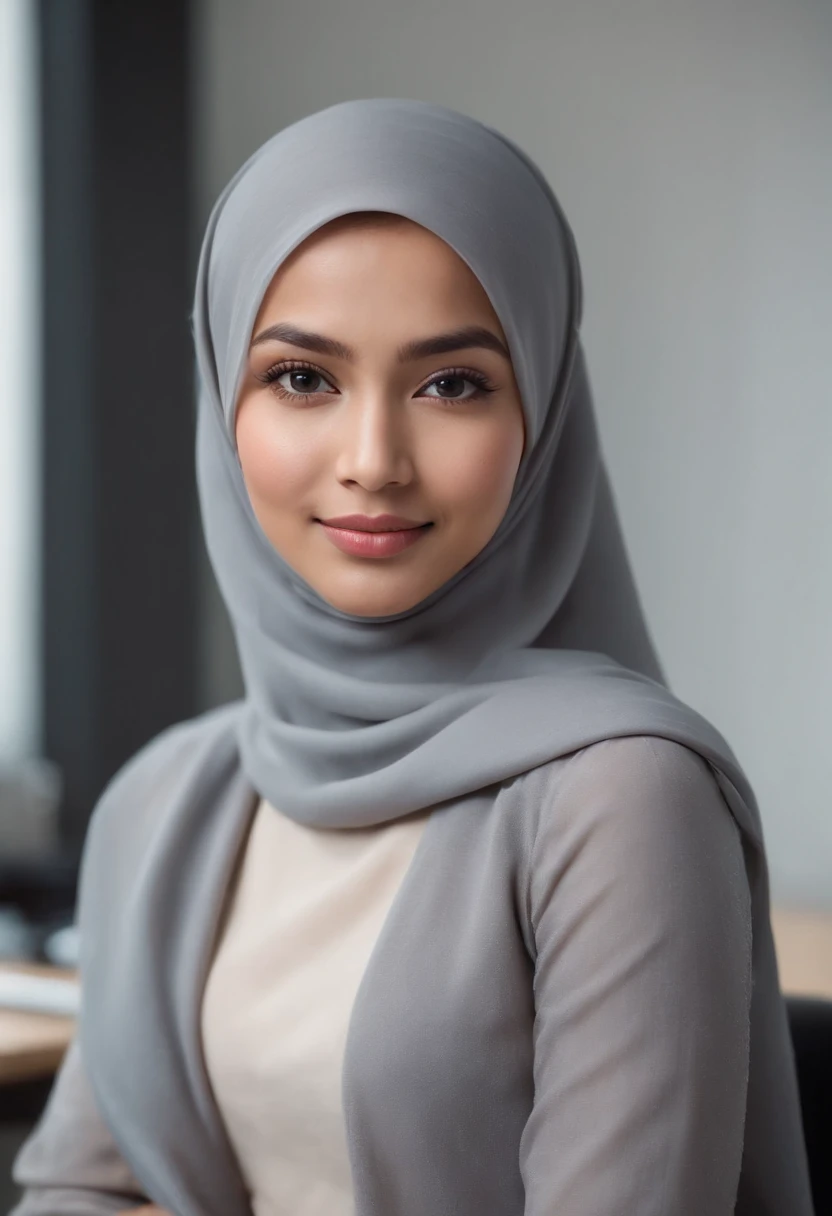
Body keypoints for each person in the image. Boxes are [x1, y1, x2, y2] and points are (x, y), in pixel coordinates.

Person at [9, 98, 814, 1216]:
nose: (374, 459)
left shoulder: (624, 800)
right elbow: (65, 1192)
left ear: (541, 412)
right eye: (301, 377)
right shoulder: (163, 801)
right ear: (219, 397)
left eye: (452, 383)